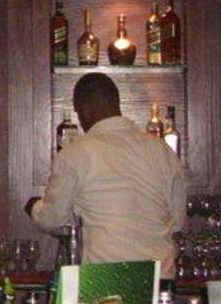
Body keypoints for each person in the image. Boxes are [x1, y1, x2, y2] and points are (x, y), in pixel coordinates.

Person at [25, 72, 187, 277]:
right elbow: (177, 222)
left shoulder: (75, 153)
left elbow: (52, 218)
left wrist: (33, 207)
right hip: (160, 277)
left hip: (109, 278)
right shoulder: (162, 150)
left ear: (85, 109)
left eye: (78, 112)